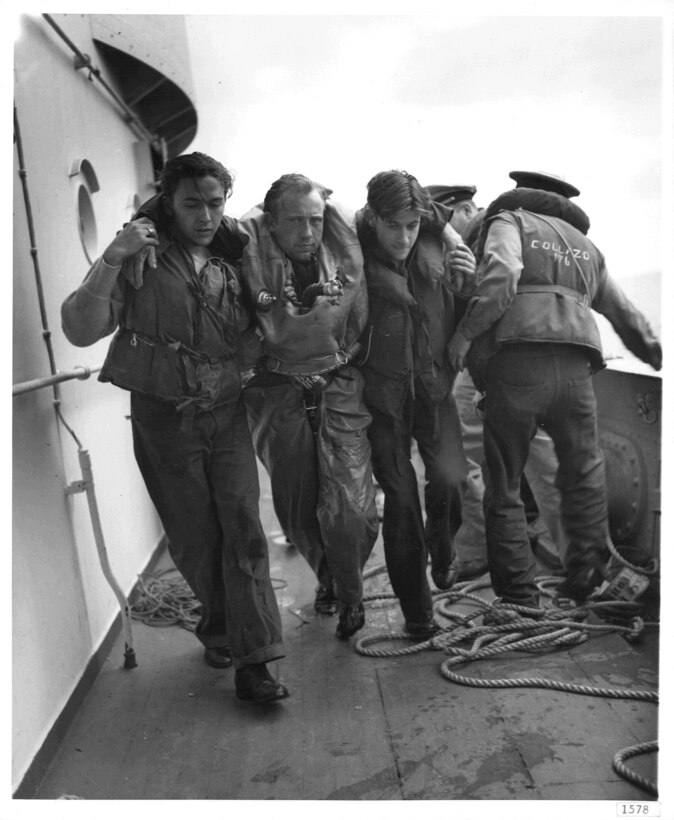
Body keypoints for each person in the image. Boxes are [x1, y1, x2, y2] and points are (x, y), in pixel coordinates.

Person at [61, 152, 289, 704]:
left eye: (215, 203)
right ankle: (219, 628)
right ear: (168, 201)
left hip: (227, 409)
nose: (206, 215)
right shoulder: (140, 254)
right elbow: (78, 328)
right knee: (194, 536)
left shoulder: (238, 253)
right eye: (192, 204)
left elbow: (266, 324)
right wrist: (112, 259)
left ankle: (255, 662)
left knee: (242, 527)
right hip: (164, 415)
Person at [448, 170, 662, 607]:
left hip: (518, 365)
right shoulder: (587, 247)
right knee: (583, 478)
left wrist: (465, 335)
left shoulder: (510, 221)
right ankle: (584, 585)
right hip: (578, 371)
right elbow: (628, 318)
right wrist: (658, 358)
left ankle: (519, 600)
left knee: (503, 483)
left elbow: (504, 271)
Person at [235, 174, 380, 640]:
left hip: (338, 388)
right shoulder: (245, 259)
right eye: (294, 221)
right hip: (276, 395)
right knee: (298, 508)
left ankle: (352, 592)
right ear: (273, 222)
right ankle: (328, 579)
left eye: (315, 220)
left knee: (354, 507)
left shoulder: (345, 259)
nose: (307, 232)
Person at [428, 184, 570, 578]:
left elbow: (504, 279)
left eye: (444, 219)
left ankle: (578, 562)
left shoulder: (495, 226)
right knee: (463, 445)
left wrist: (464, 335)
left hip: (520, 357)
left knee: (540, 456)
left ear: (467, 207)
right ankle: (479, 547)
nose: (439, 230)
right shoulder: (472, 239)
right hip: (496, 360)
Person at [355, 170, 475, 636]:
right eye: (393, 226)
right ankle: (417, 612)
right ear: (374, 219)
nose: (403, 237)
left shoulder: (431, 233)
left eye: (412, 225)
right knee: (402, 502)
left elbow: (466, 293)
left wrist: (444, 230)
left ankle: (443, 552)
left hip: (433, 389)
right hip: (383, 400)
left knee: (451, 478)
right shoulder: (353, 241)